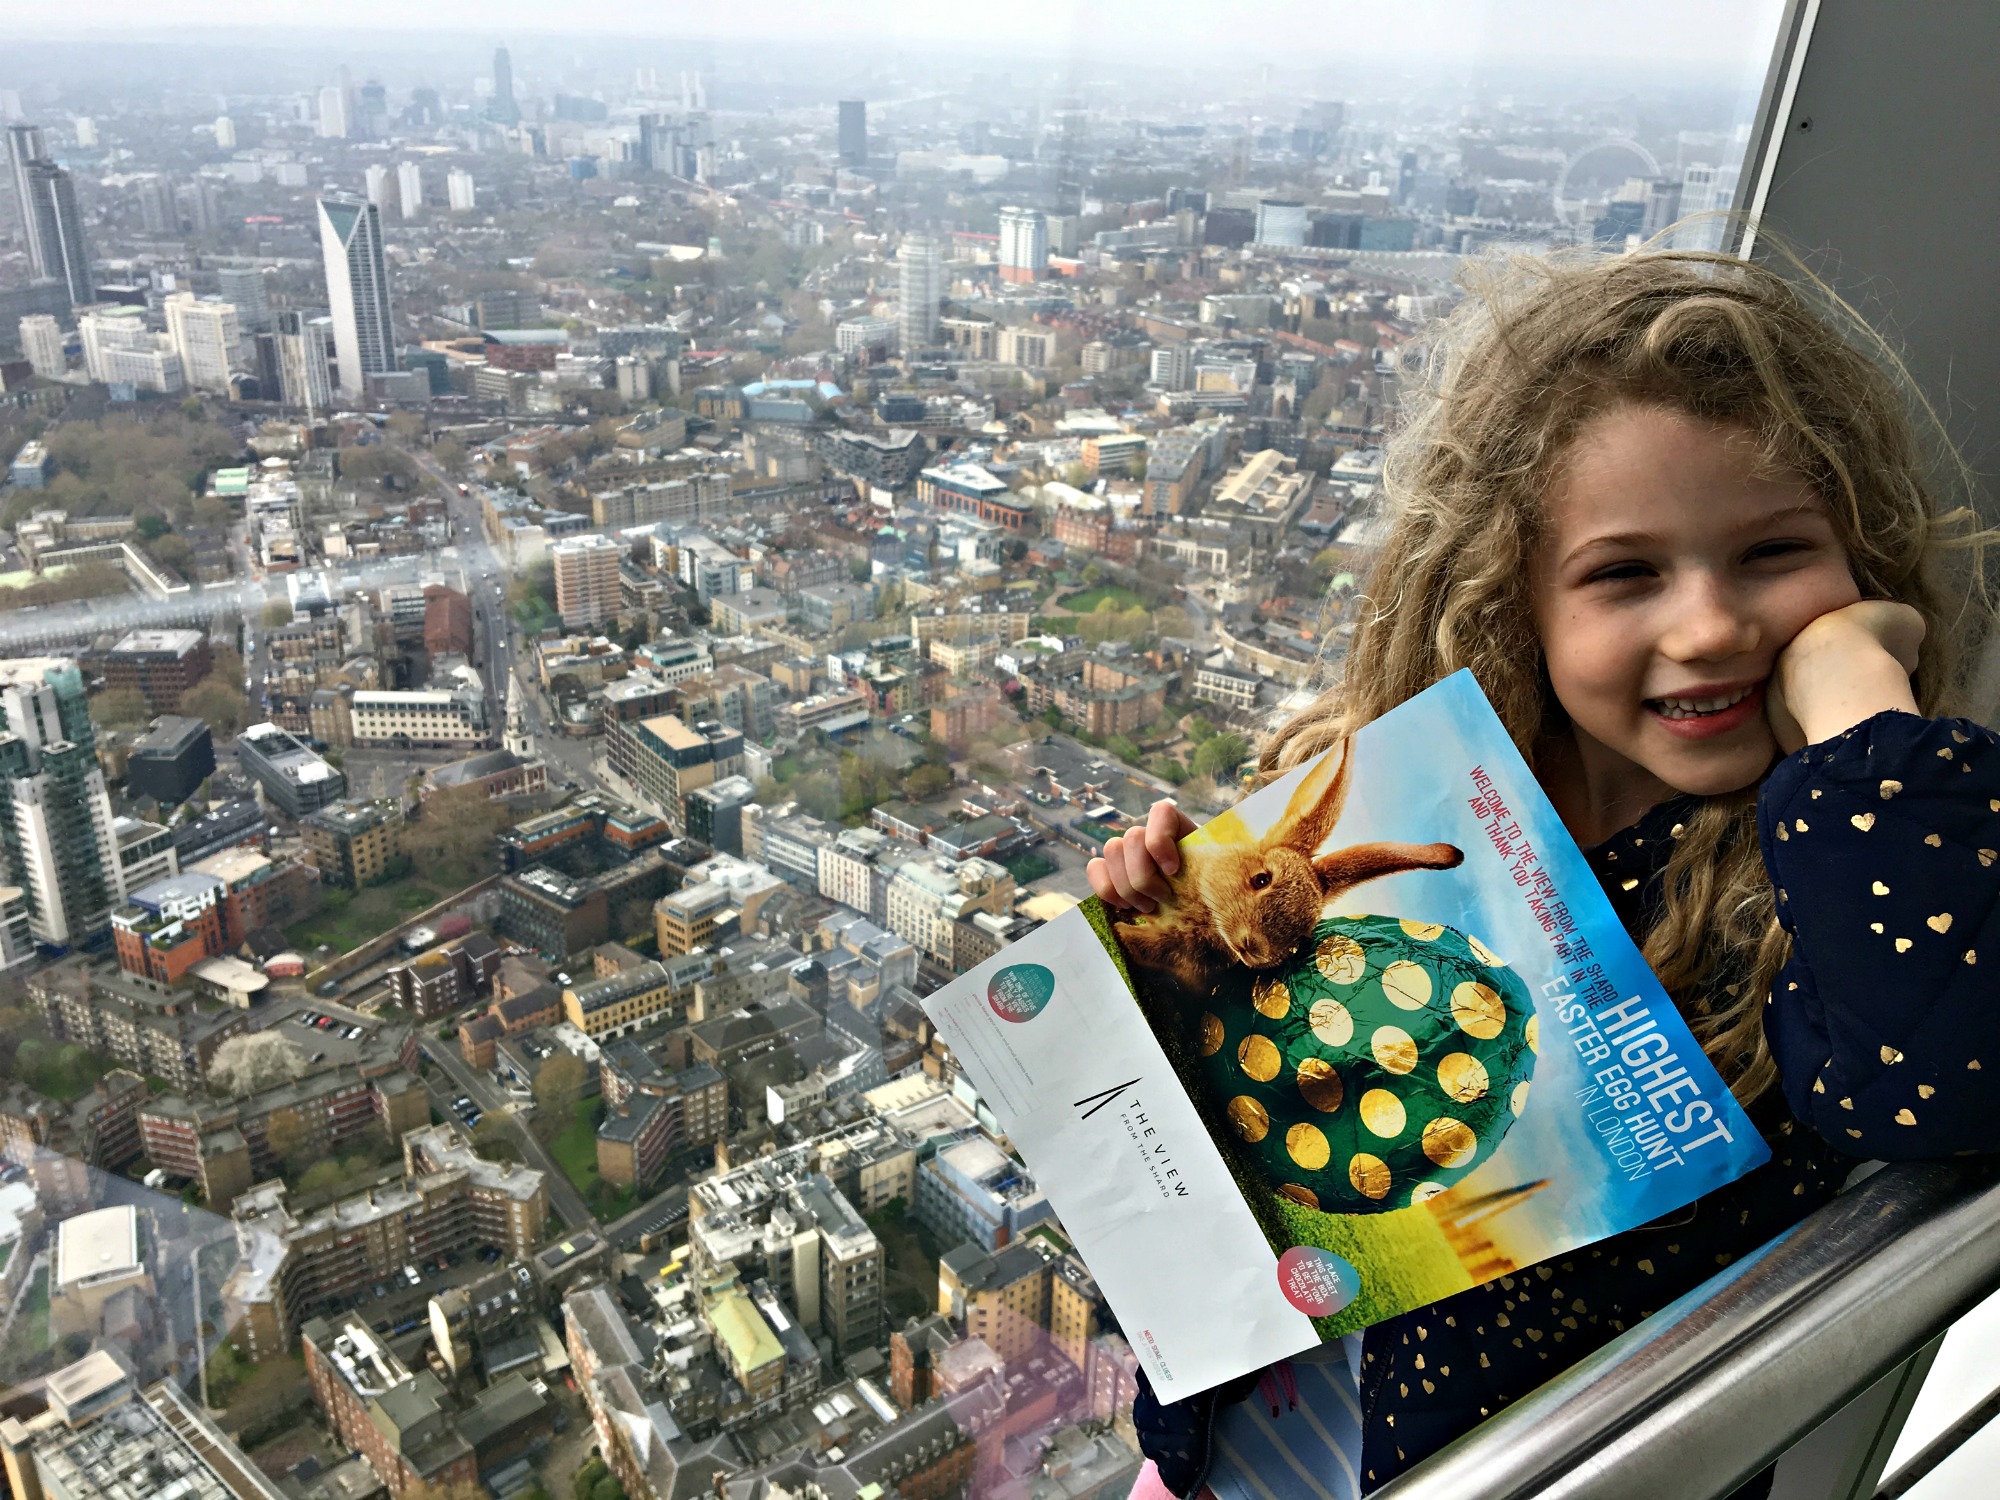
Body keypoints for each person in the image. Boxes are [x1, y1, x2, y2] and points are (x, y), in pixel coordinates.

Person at [1088, 246, 1997, 1498]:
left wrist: (1851, 700)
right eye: (1626, 572)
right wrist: (1159, 921)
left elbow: (1944, 1081)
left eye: (1774, 555)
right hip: (1237, 1441)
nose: (1710, 627)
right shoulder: (1399, 777)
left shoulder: (1824, 878)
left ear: (1859, 561)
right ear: (1513, 589)